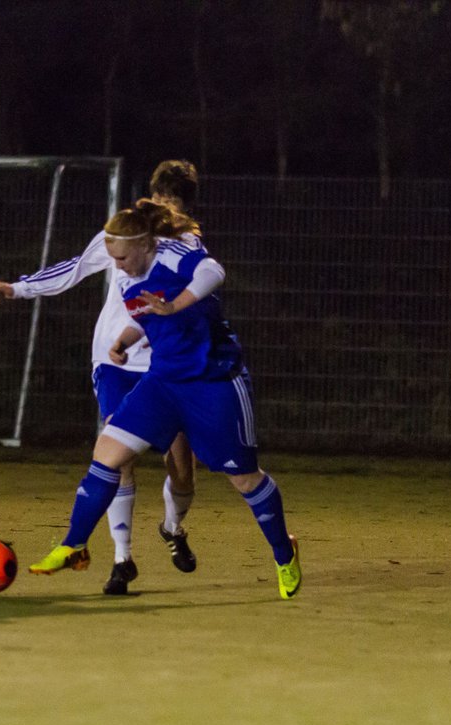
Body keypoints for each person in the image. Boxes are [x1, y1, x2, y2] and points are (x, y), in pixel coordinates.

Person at [25, 199, 302, 600]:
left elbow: (214, 272)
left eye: (121, 257)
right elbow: (147, 315)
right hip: (164, 381)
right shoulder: (128, 275)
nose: (116, 266)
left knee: (243, 477)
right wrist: (126, 338)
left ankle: (283, 553)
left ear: (143, 245)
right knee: (107, 453)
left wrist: (174, 305)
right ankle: (73, 544)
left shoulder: (177, 253)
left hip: (214, 380)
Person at [0, 160, 201, 596]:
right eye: (161, 198)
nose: (165, 208)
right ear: (152, 195)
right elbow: (74, 268)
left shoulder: (190, 243)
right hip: (114, 363)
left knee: (181, 469)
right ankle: (122, 560)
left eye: (174, 202)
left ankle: (172, 527)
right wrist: (19, 288)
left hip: (165, 364)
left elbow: (195, 299)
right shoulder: (125, 233)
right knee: (118, 458)